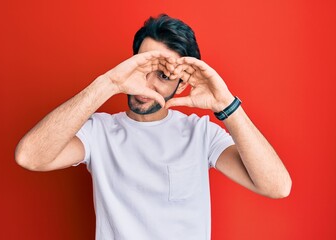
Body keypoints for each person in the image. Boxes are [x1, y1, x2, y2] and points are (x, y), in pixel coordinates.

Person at [15, 14, 291, 240]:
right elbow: (29, 157)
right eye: (141, 67)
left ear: (182, 84)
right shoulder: (99, 132)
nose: (146, 85)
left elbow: (277, 187)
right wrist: (108, 83)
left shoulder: (201, 133)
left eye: (162, 75)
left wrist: (225, 104)